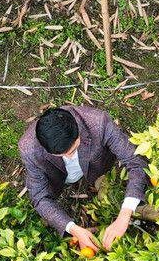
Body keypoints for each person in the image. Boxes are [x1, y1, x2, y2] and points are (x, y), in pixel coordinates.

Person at [19, 105, 151, 252]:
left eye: (73, 150)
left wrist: (124, 215)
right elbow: (39, 196)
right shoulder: (29, 148)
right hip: (60, 179)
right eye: (61, 155)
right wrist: (73, 229)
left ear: (78, 132)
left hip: (97, 169)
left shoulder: (98, 122)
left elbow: (136, 162)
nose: (69, 157)